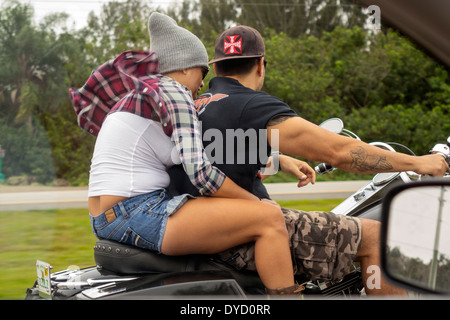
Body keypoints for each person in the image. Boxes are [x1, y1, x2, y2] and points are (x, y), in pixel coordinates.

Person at [168, 25, 449, 295]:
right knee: (378, 237)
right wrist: (420, 163)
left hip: (195, 231)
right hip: (240, 237)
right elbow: (338, 152)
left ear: (216, 67)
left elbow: (222, 151)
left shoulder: (196, 105)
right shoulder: (252, 105)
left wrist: (281, 159)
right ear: (260, 65)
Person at [70, 13, 302, 296]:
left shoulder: (139, 94)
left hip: (106, 215)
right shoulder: (175, 91)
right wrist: (257, 203)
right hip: (134, 210)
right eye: (202, 72)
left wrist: (279, 160)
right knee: (268, 219)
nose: (203, 84)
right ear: (182, 67)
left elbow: (208, 151)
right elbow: (203, 174)